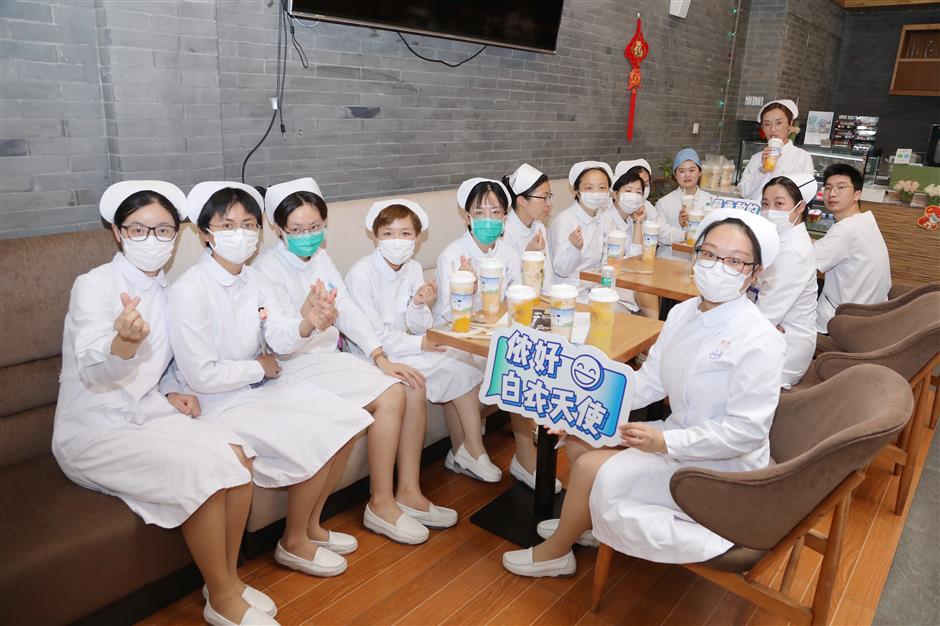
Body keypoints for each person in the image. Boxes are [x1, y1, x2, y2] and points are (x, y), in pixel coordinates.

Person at [502, 209, 785, 577]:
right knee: (581, 440)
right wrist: (580, 410)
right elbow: (648, 380)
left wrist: (664, 443)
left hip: (719, 470)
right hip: (675, 437)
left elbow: (745, 433)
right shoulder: (683, 313)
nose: (718, 267)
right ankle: (582, 524)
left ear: (755, 273)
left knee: (588, 464)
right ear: (696, 255)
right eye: (711, 254)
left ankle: (557, 551)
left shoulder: (759, 339)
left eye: (735, 261)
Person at [52, 181, 278, 626]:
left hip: (150, 410)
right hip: (95, 427)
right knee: (205, 472)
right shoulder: (94, 286)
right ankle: (223, 597)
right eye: (138, 230)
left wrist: (171, 388)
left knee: (239, 455)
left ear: (178, 236)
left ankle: (225, 579)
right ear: (117, 233)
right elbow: (94, 371)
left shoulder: (167, 289)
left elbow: (175, 360)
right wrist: (122, 343)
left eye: (163, 231)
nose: (152, 241)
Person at [168, 181, 374, 583]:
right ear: (204, 232)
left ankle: (307, 529)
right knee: (317, 431)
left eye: (248, 224)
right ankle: (293, 541)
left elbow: (276, 333)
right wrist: (258, 369)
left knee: (346, 420)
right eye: (227, 225)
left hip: (257, 385)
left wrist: (305, 322)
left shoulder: (253, 280)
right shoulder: (189, 290)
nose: (240, 234)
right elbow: (201, 374)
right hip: (216, 401)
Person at [252, 178, 441, 544]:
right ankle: (378, 505)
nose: (308, 236)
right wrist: (306, 321)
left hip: (327, 359)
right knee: (390, 396)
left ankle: (393, 499)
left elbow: (347, 310)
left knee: (401, 386)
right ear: (278, 229)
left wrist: (379, 356)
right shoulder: (267, 269)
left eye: (315, 228)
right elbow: (276, 336)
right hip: (291, 366)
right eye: (297, 229)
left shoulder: (320, 258)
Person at [345, 199, 486, 516]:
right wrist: (421, 344)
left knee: (459, 359)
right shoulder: (361, 275)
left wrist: (422, 304)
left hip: (405, 345)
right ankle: (408, 489)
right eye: (388, 233)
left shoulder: (411, 268)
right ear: (376, 236)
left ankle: (470, 449)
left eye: (405, 233)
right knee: (415, 382)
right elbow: (374, 337)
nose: (397, 241)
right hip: (371, 357)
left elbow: (418, 325)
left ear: (417, 237)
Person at [433, 177, 560, 492]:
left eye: (496, 212)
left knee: (532, 356)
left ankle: (523, 457)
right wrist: (470, 288)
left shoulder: (507, 252)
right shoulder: (452, 255)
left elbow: (519, 299)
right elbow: (449, 318)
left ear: (505, 216)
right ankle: (487, 453)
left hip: (495, 335)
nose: (489, 219)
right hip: (455, 340)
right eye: (481, 212)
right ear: (467, 217)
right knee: (513, 364)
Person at [757, 173, 819, 387]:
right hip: (772, 330)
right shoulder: (779, 238)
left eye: (779, 204)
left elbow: (767, 314)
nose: (770, 211)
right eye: (765, 203)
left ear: (800, 207)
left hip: (786, 347)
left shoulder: (793, 251)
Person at [814, 164, 891, 333]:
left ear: (857, 194)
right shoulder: (865, 221)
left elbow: (805, 262)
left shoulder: (846, 229)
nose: (832, 193)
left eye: (841, 187)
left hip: (841, 322)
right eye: (828, 188)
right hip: (872, 315)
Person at [548, 161, 615, 291]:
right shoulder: (564, 221)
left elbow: (607, 262)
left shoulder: (606, 219)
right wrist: (574, 248)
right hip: (570, 290)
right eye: (589, 188)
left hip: (597, 287)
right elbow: (562, 270)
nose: (596, 193)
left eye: (602, 187)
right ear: (577, 192)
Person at [738, 100, 815, 202]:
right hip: (756, 215)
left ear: (790, 124)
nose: (773, 129)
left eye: (778, 123)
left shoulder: (802, 156)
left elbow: (805, 195)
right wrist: (762, 170)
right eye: (767, 124)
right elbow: (744, 193)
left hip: (785, 216)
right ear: (763, 128)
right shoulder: (756, 158)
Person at [606, 165, 657, 317]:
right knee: (645, 284)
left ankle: (654, 329)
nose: (633, 196)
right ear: (615, 195)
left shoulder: (630, 219)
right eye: (628, 191)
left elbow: (635, 257)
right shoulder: (605, 220)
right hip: (608, 281)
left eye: (638, 192)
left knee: (647, 282)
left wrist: (638, 223)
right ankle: (654, 329)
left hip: (627, 279)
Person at [501, 162, 554, 292]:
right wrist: (527, 255)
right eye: (544, 197)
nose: (548, 203)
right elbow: (504, 284)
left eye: (549, 196)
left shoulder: (539, 227)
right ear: (522, 200)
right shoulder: (504, 231)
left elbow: (547, 278)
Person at [654, 148, 714, 258]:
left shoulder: (710, 200)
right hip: (669, 260)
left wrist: (699, 223)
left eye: (692, 170)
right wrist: (684, 233)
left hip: (699, 261)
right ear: (675, 175)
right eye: (681, 171)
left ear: (700, 172)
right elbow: (659, 234)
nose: (687, 175)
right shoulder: (664, 202)